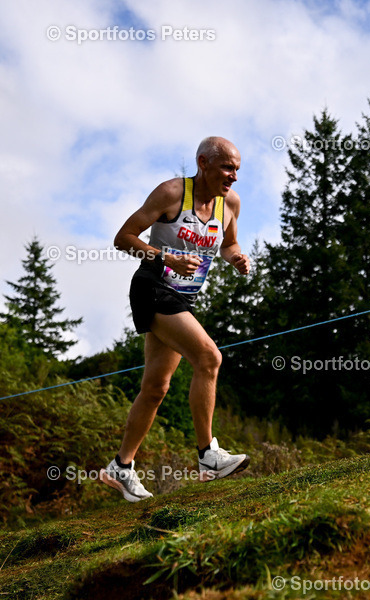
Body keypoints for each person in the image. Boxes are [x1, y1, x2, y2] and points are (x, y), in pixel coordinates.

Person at [99, 136, 251, 503]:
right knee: (209, 358)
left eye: (237, 170)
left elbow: (228, 243)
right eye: (227, 168)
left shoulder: (229, 203)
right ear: (203, 163)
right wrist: (166, 258)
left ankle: (121, 466)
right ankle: (208, 457)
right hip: (152, 288)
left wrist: (237, 258)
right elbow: (124, 238)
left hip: (184, 298)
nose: (233, 177)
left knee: (156, 388)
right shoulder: (170, 194)